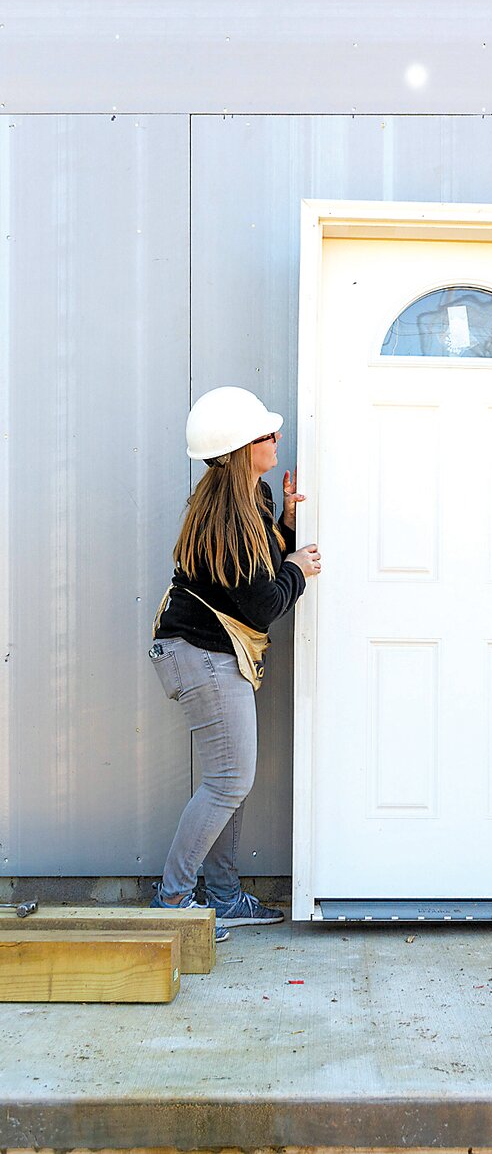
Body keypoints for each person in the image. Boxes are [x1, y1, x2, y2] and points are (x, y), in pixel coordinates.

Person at [149, 386, 321, 935]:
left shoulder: (253, 501)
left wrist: (289, 521)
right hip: (200, 656)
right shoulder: (229, 520)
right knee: (229, 779)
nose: (276, 439)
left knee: (231, 778)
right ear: (246, 447)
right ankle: (172, 904)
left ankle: (221, 895)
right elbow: (266, 600)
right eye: (267, 435)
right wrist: (300, 567)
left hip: (209, 655)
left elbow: (261, 571)